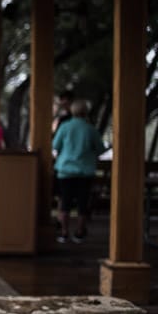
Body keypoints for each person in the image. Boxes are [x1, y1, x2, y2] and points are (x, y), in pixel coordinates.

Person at [52, 99, 105, 243]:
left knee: (65, 202)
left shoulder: (65, 127)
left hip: (65, 170)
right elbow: (100, 149)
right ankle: (80, 231)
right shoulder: (90, 129)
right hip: (85, 171)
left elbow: (55, 145)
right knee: (83, 203)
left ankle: (64, 232)